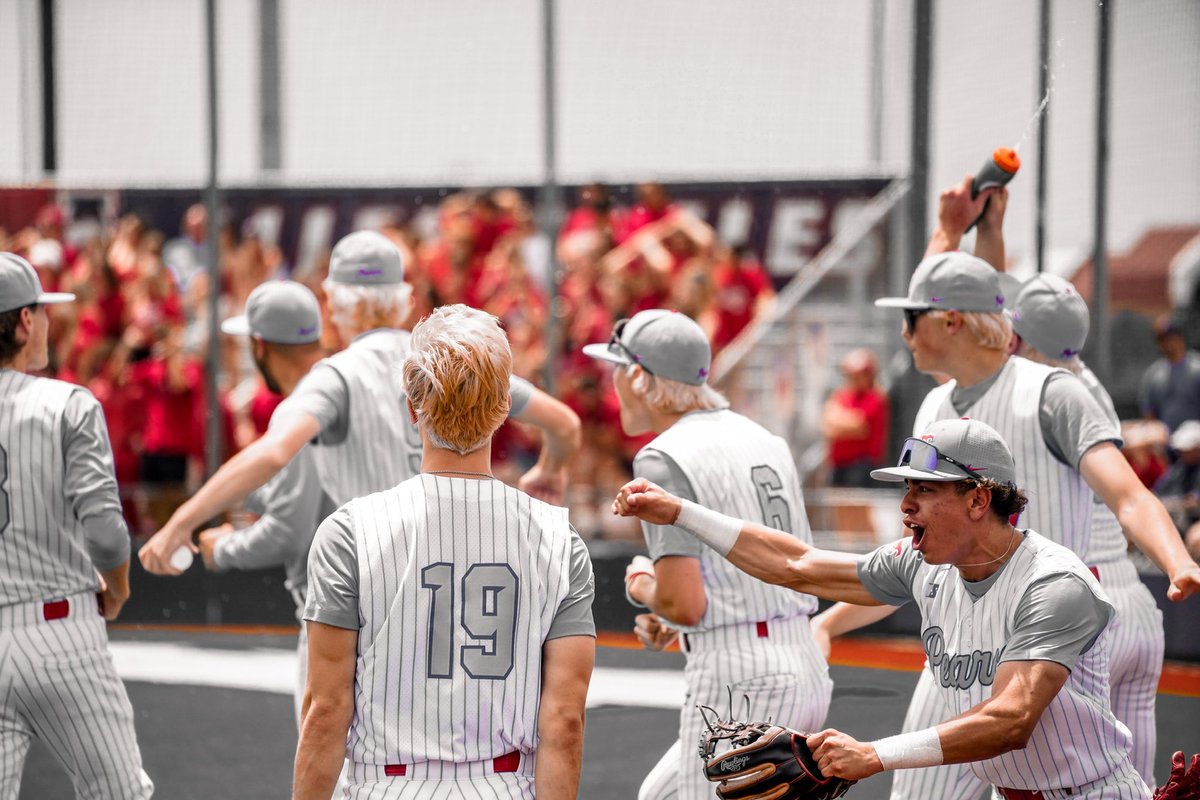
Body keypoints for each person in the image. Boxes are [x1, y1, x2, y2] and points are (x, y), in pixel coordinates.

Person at [815, 241, 1200, 797]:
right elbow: (917, 561)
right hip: (1080, 613)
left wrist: (1177, 559)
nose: (903, 331)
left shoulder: (1050, 392)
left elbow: (1130, 496)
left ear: (953, 320)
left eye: (911, 316)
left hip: (1051, 623)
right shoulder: (950, 402)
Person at [614, 417, 1154, 799]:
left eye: (924, 488)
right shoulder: (923, 562)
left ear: (978, 499)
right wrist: (681, 512)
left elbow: (1010, 720)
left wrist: (875, 754)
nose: (905, 504)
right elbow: (796, 564)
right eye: (906, 488)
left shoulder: (1054, 584)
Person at [140, 230, 582, 575]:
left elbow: (273, 452)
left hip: (374, 587)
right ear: (404, 297)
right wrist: (549, 469)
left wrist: (181, 522)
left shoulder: (336, 376)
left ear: (333, 303)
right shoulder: (445, 358)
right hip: (458, 573)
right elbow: (564, 424)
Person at [296, 304, 595, 800]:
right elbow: (564, 720)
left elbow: (327, 710)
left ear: (412, 406)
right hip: (501, 784)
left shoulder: (348, 531)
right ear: (503, 409)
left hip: (386, 785)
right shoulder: (560, 540)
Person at [582, 309, 832, 800]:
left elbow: (684, 604)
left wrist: (644, 586)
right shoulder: (763, 438)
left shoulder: (663, 455)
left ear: (638, 376)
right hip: (799, 658)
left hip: (737, 675)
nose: (612, 382)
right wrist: (677, 618)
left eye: (617, 368)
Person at [0, 253, 153, 798]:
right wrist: (118, 588)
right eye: (40, 312)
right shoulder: (66, 402)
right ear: (23, 321)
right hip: (60, 628)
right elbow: (106, 530)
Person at [1006, 273, 1166, 786]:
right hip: (1137, 604)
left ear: (1023, 338)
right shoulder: (1089, 384)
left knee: (1039, 780)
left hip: (1087, 613)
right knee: (1130, 788)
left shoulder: (1044, 398)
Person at [190, 280, 336, 725]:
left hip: (335, 620)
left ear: (260, 344)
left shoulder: (304, 405)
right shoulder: (347, 385)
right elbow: (304, 490)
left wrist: (223, 549)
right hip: (387, 605)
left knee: (327, 777)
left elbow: (288, 532)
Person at [821, 348, 890, 487]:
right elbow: (827, 424)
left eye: (859, 375)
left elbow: (858, 427)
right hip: (838, 467)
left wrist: (840, 420)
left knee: (857, 507)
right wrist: (846, 420)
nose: (853, 379)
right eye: (850, 375)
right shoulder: (843, 394)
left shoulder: (875, 397)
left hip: (861, 468)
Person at [1140, 314, 1200, 435]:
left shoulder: (1197, 369)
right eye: (1162, 339)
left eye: (1171, 337)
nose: (1168, 343)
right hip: (1165, 442)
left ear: (1180, 337)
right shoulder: (1153, 374)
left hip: (1195, 442)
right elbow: (1149, 415)